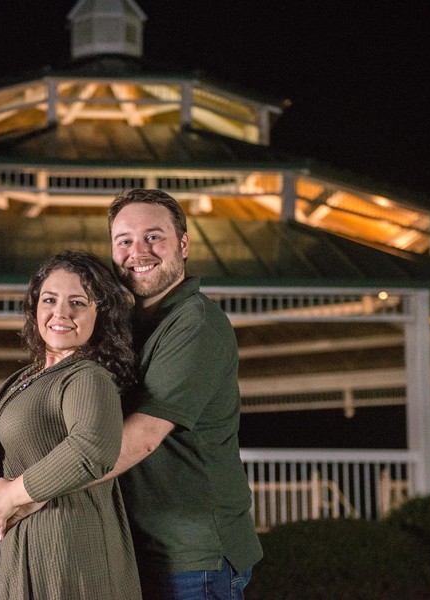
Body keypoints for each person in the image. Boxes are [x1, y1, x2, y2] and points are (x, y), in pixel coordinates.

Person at [0, 251, 142, 600]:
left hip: (56, 560)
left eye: (78, 303)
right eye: (49, 300)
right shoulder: (29, 376)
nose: (61, 313)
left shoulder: (88, 377)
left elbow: (91, 450)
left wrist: (12, 493)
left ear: (99, 315)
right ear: (35, 308)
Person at [105, 188, 264, 599]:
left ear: (183, 244)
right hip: (139, 549)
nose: (138, 251)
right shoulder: (122, 325)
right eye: (125, 241)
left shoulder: (196, 323)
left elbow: (142, 437)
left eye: (153, 236)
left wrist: (28, 493)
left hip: (194, 560)